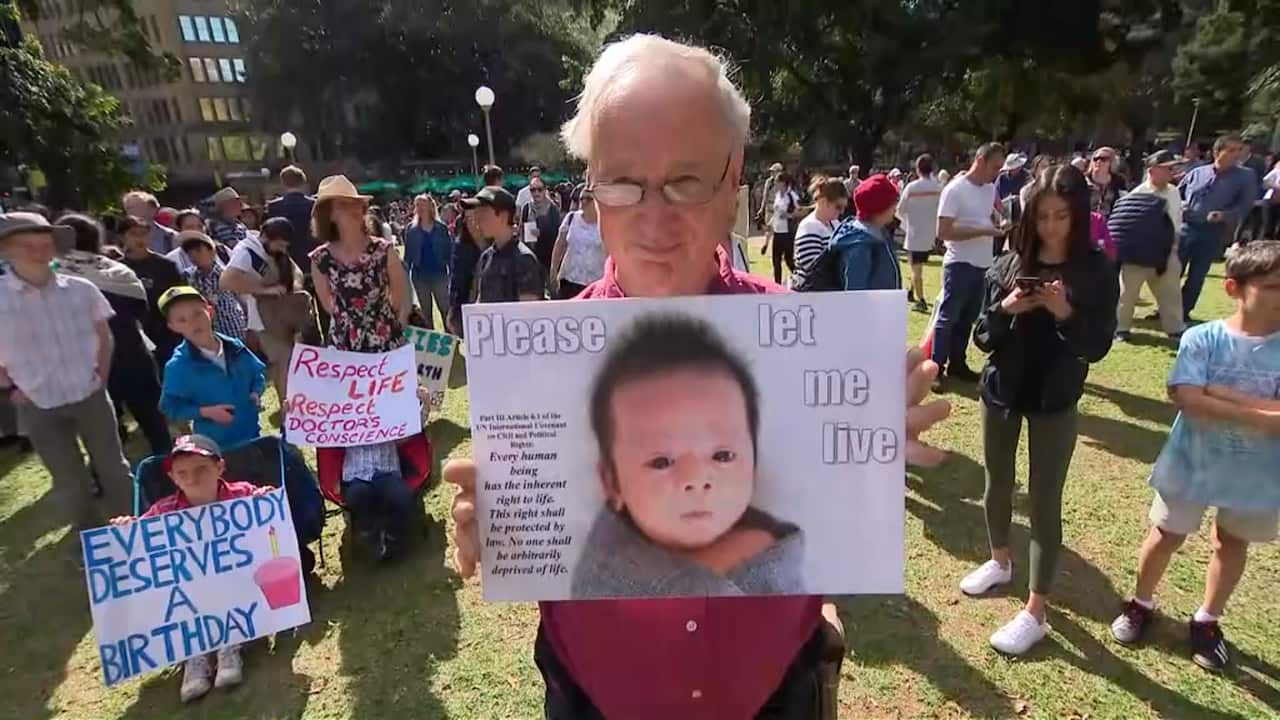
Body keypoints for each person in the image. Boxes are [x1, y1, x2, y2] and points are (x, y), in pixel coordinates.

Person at [444, 34, 950, 719]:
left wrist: (862, 444)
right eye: (623, 182)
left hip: (773, 694)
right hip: (594, 699)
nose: (654, 220)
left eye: (685, 181)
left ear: (732, 178)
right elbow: (548, 531)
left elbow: (817, 526)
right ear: (592, 182)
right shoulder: (538, 364)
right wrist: (501, 520)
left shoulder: (813, 347)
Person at [965, 164, 1118, 655]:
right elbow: (982, 337)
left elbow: (1096, 345)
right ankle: (1000, 560)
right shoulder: (1009, 263)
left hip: (1055, 397)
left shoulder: (1095, 270)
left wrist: (1065, 312)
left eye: (1060, 216)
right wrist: (1007, 309)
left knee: (1044, 499)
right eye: (1042, 216)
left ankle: (1036, 609)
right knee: (997, 482)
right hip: (1003, 390)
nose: (1051, 226)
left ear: (1076, 216)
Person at [1109, 241, 1280, 672]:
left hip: (1253, 471)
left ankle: (1207, 620)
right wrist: (1258, 410)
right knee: (1166, 533)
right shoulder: (1202, 338)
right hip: (1192, 461)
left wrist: (1219, 392)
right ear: (1234, 288)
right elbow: (1187, 397)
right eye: (1273, 286)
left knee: (1232, 541)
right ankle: (1140, 603)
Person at [572, 314, 803, 599]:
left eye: (722, 455)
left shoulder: (783, 544)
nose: (695, 480)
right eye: (662, 461)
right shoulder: (604, 569)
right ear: (612, 483)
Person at [0, 212, 133, 543]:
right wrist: (11, 386)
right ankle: (93, 540)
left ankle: (133, 528)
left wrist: (100, 376)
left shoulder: (81, 289)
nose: (38, 251)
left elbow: (104, 336)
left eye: (44, 243)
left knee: (114, 468)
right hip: (38, 402)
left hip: (89, 394)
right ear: (7, 249)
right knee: (69, 479)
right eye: (27, 245)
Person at [109, 434, 271, 701]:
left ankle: (230, 644)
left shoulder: (243, 495)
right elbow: (141, 544)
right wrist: (128, 529)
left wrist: (266, 500)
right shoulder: (163, 511)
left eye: (201, 469)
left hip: (238, 587)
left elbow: (269, 521)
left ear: (220, 467)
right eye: (182, 473)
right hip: (192, 599)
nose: (192, 479)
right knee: (172, 590)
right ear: (172, 477)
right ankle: (193, 654)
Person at [55, 213, 171, 457]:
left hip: (85, 359)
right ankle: (166, 463)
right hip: (133, 351)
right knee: (153, 418)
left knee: (102, 426)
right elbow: (141, 309)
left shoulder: (53, 277)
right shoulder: (119, 271)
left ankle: (105, 475)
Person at [932, 142, 1008, 392]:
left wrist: (999, 221)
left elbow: (990, 214)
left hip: (982, 264)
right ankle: (936, 368)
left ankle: (957, 363)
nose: (997, 172)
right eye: (995, 166)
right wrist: (982, 230)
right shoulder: (954, 190)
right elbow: (943, 232)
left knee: (967, 319)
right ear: (980, 160)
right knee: (948, 317)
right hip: (959, 263)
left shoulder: (988, 189)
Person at [310, 175, 409, 352]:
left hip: (385, 339)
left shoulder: (384, 250)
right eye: (344, 205)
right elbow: (328, 305)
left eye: (356, 203)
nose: (353, 209)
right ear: (330, 215)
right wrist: (352, 323)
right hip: (344, 345)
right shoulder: (320, 258)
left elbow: (398, 296)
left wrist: (378, 320)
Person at [157, 286, 266, 448]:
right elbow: (169, 406)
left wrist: (256, 392)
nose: (193, 323)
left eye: (197, 313)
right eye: (182, 320)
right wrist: (205, 412)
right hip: (217, 446)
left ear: (210, 311)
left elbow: (257, 375)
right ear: (173, 327)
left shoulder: (235, 347)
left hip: (252, 435)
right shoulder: (178, 366)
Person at [1178, 134, 1258, 321]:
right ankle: (1167, 308)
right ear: (1216, 152)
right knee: (1173, 272)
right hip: (1185, 228)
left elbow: (1245, 205)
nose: (1236, 154)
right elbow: (1177, 192)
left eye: (1239, 150)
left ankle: (1183, 311)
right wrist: (1181, 204)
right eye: (1231, 150)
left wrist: (1225, 215)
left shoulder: (1245, 176)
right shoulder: (1198, 172)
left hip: (1212, 232)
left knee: (1197, 275)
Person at [1112, 151, 1187, 341]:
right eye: (1167, 168)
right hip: (1138, 256)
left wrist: (1174, 250)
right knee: (1127, 294)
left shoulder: (1174, 192)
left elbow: (1177, 222)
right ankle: (1121, 328)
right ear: (1153, 170)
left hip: (1167, 252)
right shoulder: (1136, 195)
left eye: (1173, 168)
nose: (1172, 171)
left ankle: (1175, 328)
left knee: (1171, 292)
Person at [119, 214, 185, 373]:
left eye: (144, 234)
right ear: (122, 237)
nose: (139, 239)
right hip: (132, 338)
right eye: (134, 234)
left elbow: (179, 298)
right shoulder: (117, 269)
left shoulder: (166, 266)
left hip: (165, 335)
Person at [467, 186, 544, 303]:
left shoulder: (524, 259)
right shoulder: (486, 257)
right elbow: (481, 301)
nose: (477, 219)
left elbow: (528, 312)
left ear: (503, 216)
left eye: (483, 212)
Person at [834, 174, 902, 291]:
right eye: (892, 204)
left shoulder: (879, 234)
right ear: (879, 208)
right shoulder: (859, 246)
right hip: (870, 308)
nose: (895, 208)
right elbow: (854, 294)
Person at [179, 231, 248, 341]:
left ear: (212, 251)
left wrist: (250, 328)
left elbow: (244, 301)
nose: (194, 256)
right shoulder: (187, 277)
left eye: (198, 251)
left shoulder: (227, 274)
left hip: (232, 330)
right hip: (205, 335)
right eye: (190, 253)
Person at [898, 154, 944, 311]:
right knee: (916, 267)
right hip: (930, 234)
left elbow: (900, 210)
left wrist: (907, 224)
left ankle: (921, 300)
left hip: (914, 234)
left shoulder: (911, 188)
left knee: (916, 269)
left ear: (917, 169)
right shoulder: (938, 189)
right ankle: (911, 291)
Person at [403, 195, 452, 328]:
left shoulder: (441, 228)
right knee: (426, 314)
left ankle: (452, 345)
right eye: (417, 205)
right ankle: (431, 347)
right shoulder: (411, 230)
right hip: (420, 277)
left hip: (439, 275)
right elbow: (407, 257)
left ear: (431, 207)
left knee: (445, 310)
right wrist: (404, 281)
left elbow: (449, 253)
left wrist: (452, 276)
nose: (420, 208)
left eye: (422, 204)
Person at [790, 177, 847, 289]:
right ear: (823, 202)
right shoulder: (809, 226)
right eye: (838, 207)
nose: (842, 212)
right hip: (811, 293)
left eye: (844, 207)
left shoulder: (835, 223)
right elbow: (812, 267)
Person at [549, 186, 605, 299]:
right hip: (569, 280)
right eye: (581, 199)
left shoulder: (605, 224)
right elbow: (560, 245)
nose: (584, 202)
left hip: (595, 283)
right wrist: (554, 270)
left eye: (588, 199)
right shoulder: (571, 218)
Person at [264, 165, 318, 276]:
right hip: (313, 258)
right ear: (303, 182)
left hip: (286, 261)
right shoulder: (314, 205)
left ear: (282, 183)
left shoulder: (273, 207)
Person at [446, 207, 489, 336]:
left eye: (476, 217)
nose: (473, 223)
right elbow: (456, 278)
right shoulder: (460, 246)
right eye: (469, 219)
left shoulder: (494, 241)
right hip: (469, 298)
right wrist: (453, 309)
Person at [517, 177, 563, 280]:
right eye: (533, 190)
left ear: (545, 190)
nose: (536, 193)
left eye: (539, 189)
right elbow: (522, 230)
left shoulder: (552, 208)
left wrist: (541, 232)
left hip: (548, 257)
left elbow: (558, 233)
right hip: (531, 256)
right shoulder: (526, 207)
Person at [761, 172, 800, 284]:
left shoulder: (791, 195)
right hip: (777, 232)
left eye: (777, 182)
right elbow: (776, 213)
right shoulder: (778, 195)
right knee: (776, 261)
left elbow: (800, 210)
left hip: (787, 233)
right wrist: (770, 225)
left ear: (783, 183)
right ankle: (777, 285)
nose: (776, 185)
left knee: (788, 260)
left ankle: (800, 279)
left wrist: (789, 215)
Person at [1087, 147, 1127, 219]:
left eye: (1103, 159)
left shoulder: (1119, 182)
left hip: (1110, 222)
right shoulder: (1083, 180)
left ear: (1111, 163)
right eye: (1096, 159)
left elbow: (1123, 204)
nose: (1098, 161)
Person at [207, 187, 248, 252]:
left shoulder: (240, 224)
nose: (239, 205)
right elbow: (234, 247)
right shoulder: (217, 225)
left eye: (238, 202)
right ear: (223, 206)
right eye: (234, 202)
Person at [756, 162, 783, 230]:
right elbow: (765, 196)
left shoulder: (783, 182)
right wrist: (761, 209)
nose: (772, 173)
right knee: (769, 229)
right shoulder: (769, 182)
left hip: (779, 208)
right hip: (769, 208)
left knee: (777, 229)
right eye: (771, 172)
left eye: (774, 171)